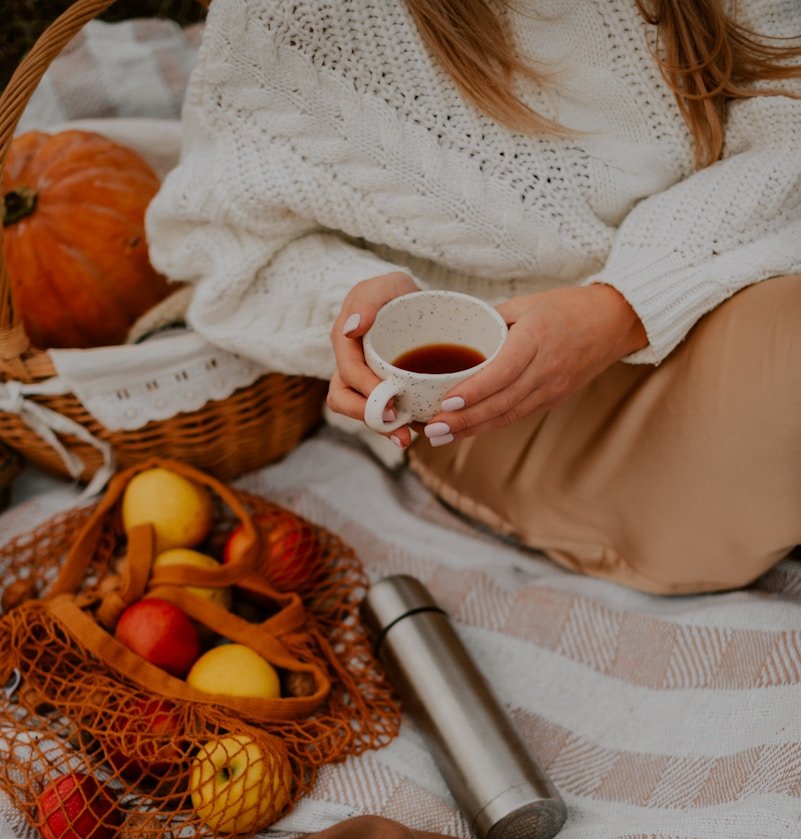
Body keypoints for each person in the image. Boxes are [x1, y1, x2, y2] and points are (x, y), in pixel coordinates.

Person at [146, 0, 801, 595]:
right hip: (499, 400)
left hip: (729, 275)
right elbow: (221, 244)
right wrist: (360, 305)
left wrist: (621, 307)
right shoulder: (296, 16)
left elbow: (787, 114)